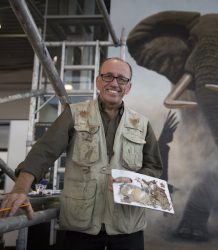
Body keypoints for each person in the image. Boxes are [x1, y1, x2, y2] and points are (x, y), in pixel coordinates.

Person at [0, 57, 163, 250]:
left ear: (128, 87)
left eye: (121, 79)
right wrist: (20, 188)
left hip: (127, 226)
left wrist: (136, 182)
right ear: (98, 81)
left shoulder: (142, 124)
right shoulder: (74, 114)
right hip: (80, 228)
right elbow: (43, 152)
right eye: (108, 76)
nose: (114, 83)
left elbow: (154, 166)